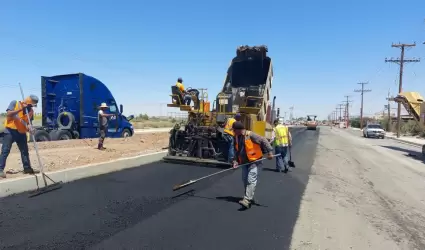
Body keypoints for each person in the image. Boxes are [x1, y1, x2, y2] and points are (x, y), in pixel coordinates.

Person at [232, 121, 274, 209]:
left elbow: (263, 140)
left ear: (239, 130)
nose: (233, 132)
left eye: (234, 130)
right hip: (244, 162)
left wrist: (270, 152)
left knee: (251, 179)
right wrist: (235, 161)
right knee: (245, 180)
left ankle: (247, 200)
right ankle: (250, 197)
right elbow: (236, 150)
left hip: (255, 161)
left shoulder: (250, 135)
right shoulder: (235, 137)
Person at [0, 95, 40, 178]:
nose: (32, 107)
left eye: (33, 105)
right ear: (28, 102)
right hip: (10, 131)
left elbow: (29, 123)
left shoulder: (31, 111)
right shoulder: (15, 103)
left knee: (24, 151)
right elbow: (9, 114)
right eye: (31, 105)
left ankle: (27, 168)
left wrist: (31, 128)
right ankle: (0, 169)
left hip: (21, 133)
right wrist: (21, 109)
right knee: (5, 150)